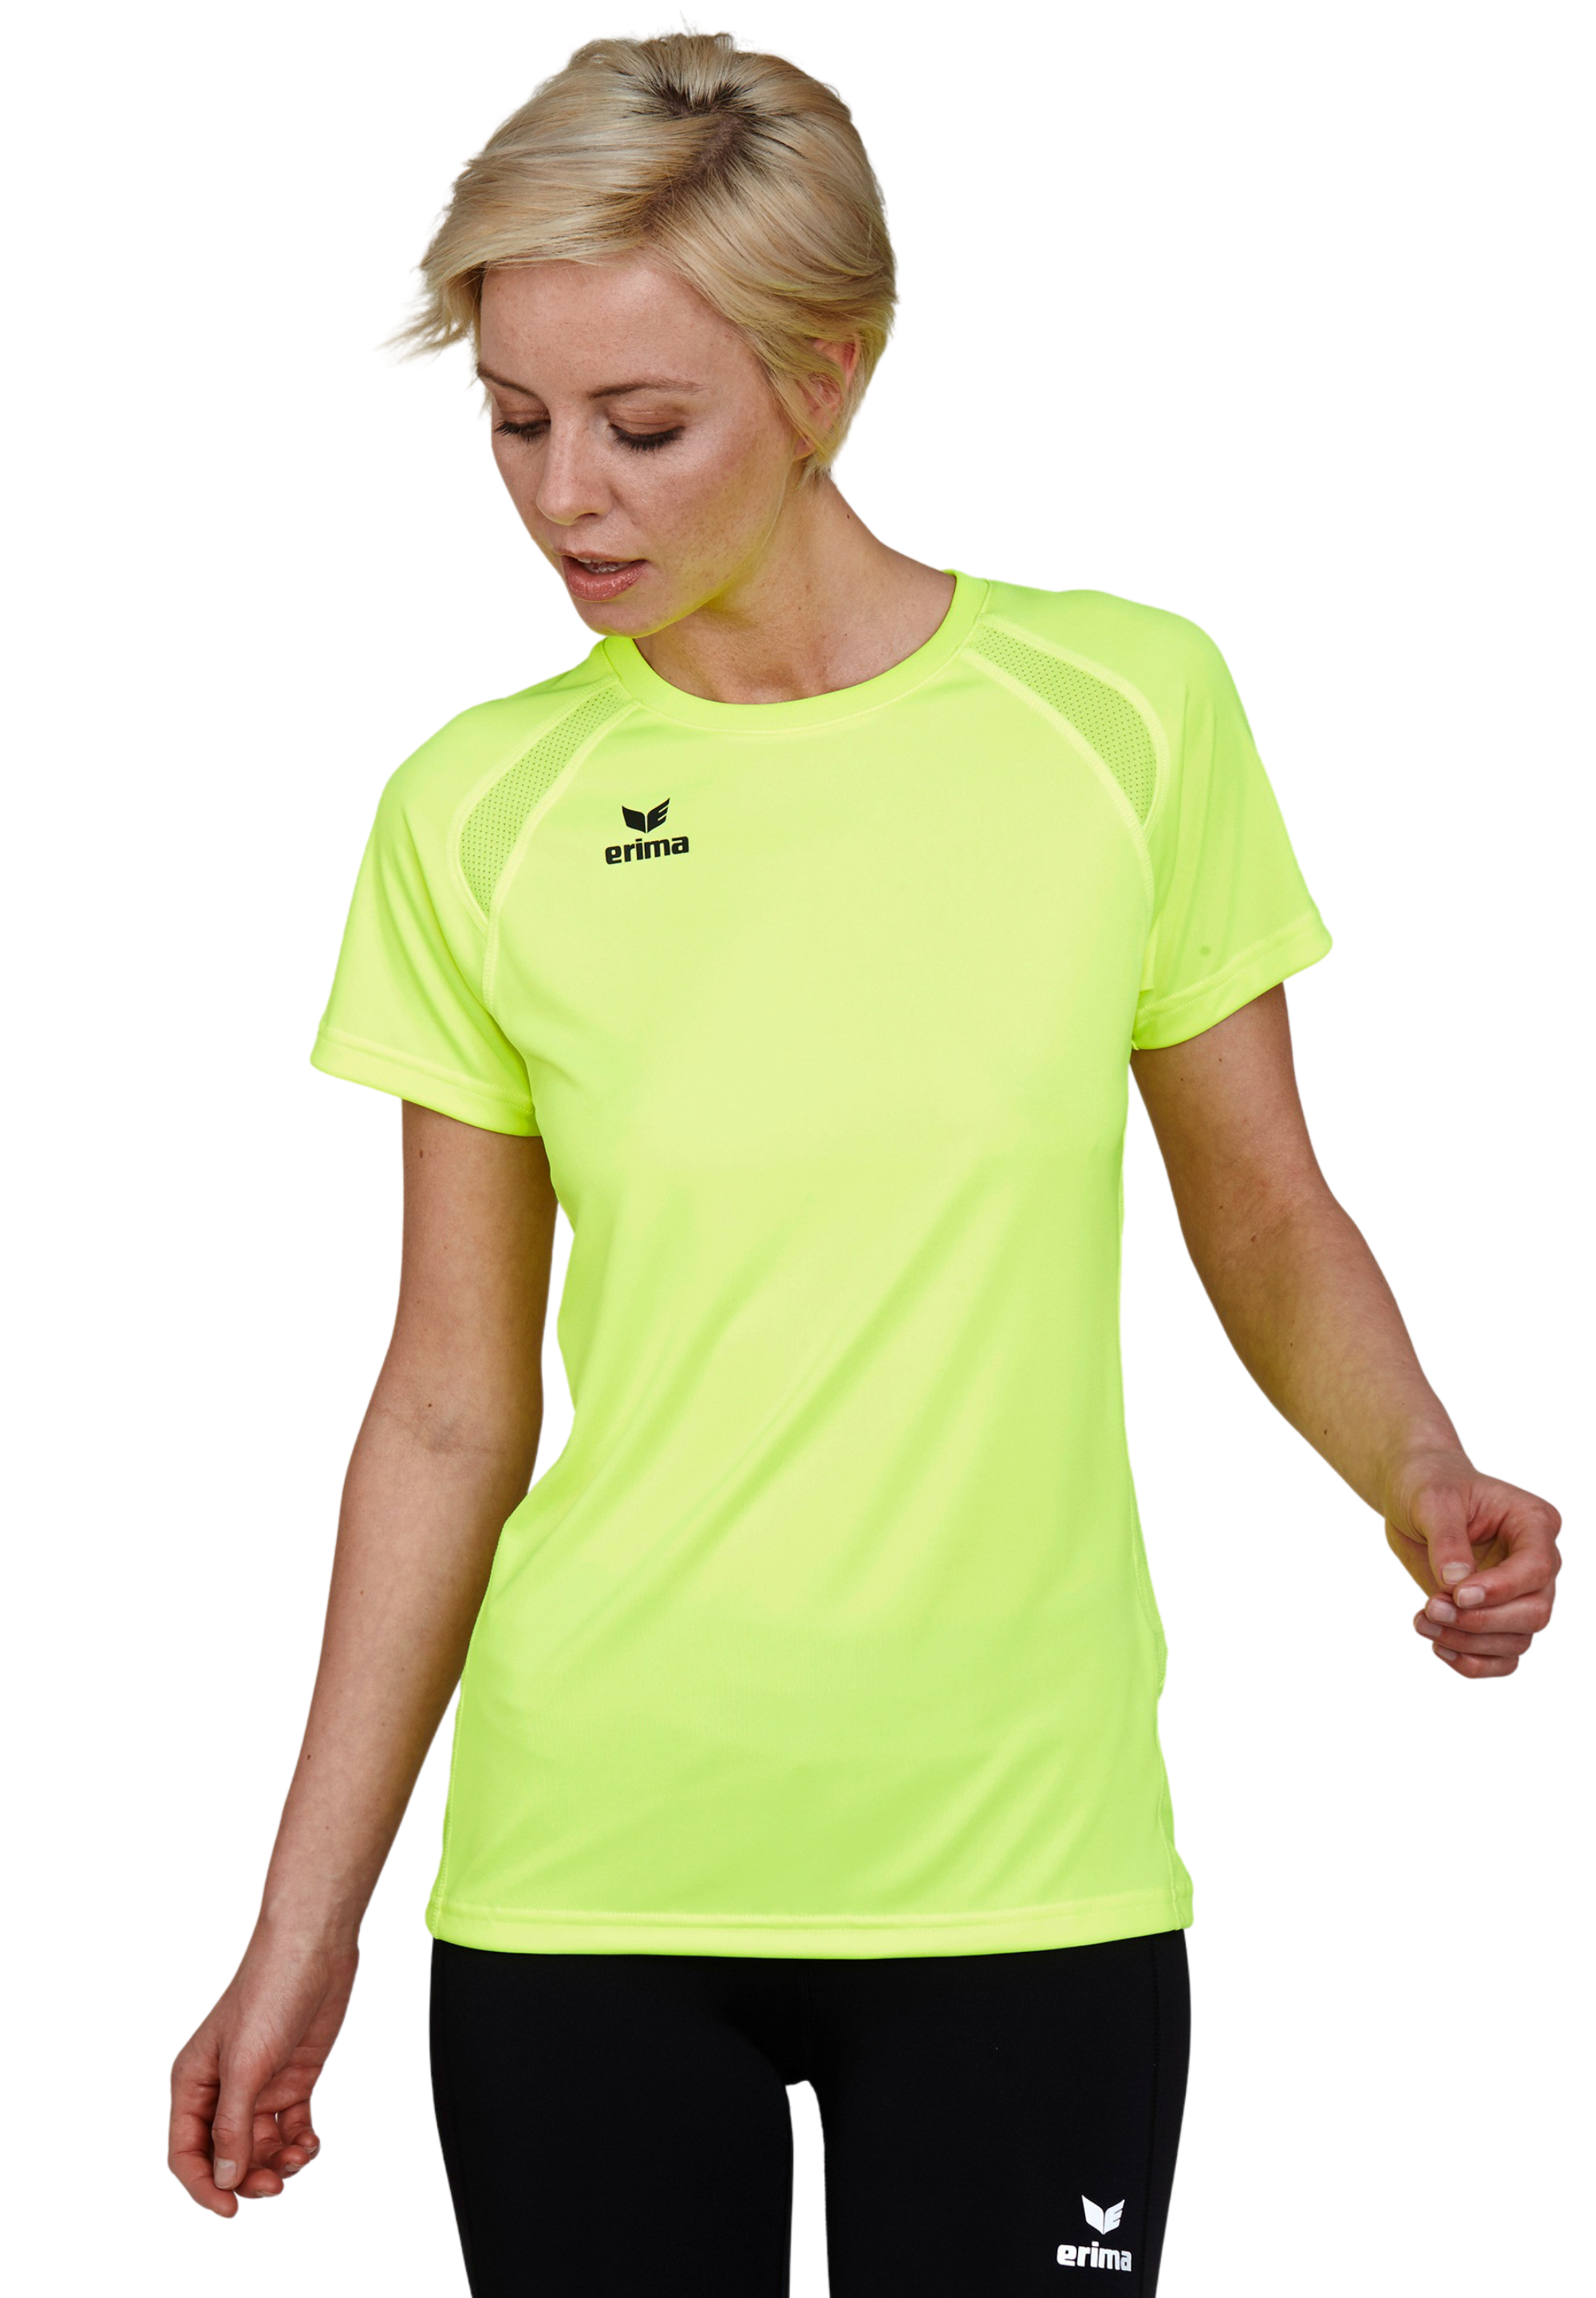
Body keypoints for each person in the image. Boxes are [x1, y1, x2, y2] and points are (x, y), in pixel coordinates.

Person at [166, 31, 1562, 2296]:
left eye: (641, 426)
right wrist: (297, 1926)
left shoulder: (1123, 715)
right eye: (513, 422)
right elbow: (444, 1400)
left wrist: (1416, 1466)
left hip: (1025, 1874)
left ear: (830, 375)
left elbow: (1263, 1204)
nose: (564, 498)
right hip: (592, 1879)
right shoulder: (476, 811)